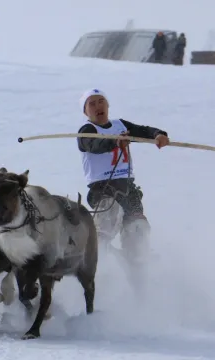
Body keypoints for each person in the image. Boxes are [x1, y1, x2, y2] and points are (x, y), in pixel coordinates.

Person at [76, 88, 170, 291]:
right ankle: (96, 268)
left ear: (108, 105)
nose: (98, 106)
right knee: (108, 219)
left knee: (138, 229)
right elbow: (93, 145)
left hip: (128, 189)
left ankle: (138, 272)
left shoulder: (121, 126)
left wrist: (159, 135)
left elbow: (144, 130)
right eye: (92, 104)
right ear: (85, 111)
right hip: (103, 188)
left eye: (101, 101)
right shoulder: (86, 130)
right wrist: (114, 142)